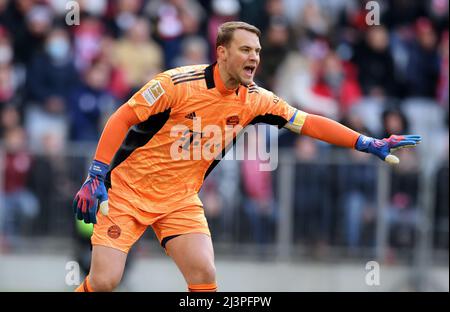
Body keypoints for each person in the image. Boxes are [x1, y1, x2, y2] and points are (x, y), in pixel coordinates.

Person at [72, 21, 421, 292]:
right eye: (245, 49)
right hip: (128, 191)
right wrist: (96, 174)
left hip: (179, 199)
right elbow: (122, 117)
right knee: (104, 282)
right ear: (221, 53)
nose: (254, 57)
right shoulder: (176, 84)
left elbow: (308, 122)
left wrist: (365, 142)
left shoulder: (256, 99)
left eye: (257, 50)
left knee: (204, 273)